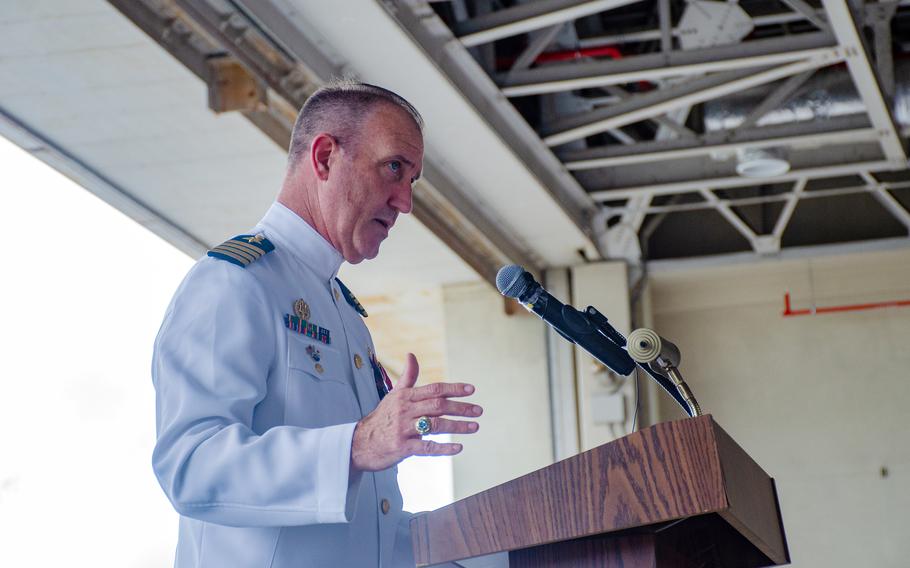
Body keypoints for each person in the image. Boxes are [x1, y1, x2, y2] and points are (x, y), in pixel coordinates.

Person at [151, 82, 483, 567]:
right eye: (394, 168)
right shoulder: (234, 282)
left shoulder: (345, 314)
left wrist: (515, 546)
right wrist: (356, 445)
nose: (405, 202)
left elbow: (369, 537)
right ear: (325, 157)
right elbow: (191, 466)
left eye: (412, 181)